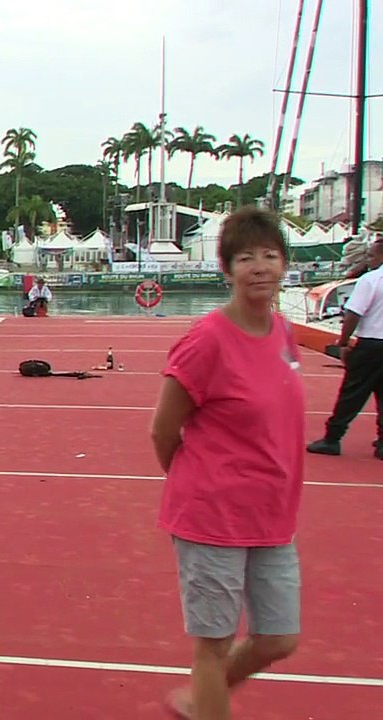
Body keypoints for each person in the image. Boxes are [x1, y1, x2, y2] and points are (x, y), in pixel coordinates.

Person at [149, 207, 304, 720]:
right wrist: (200, 483)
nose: (259, 267)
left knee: (279, 637)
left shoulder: (283, 332)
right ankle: (208, 699)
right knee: (212, 647)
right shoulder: (206, 341)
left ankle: (201, 698)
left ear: (284, 264)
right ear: (227, 269)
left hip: (272, 516)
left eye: (269, 256)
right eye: (245, 258)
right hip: (213, 517)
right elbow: (163, 429)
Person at [306, 238, 383, 460]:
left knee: (352, 393)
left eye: (372, 256)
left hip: (370, 344)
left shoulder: (370, 280)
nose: (369, 260)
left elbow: (354, 313)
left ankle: (333, 438)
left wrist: (343, 341)